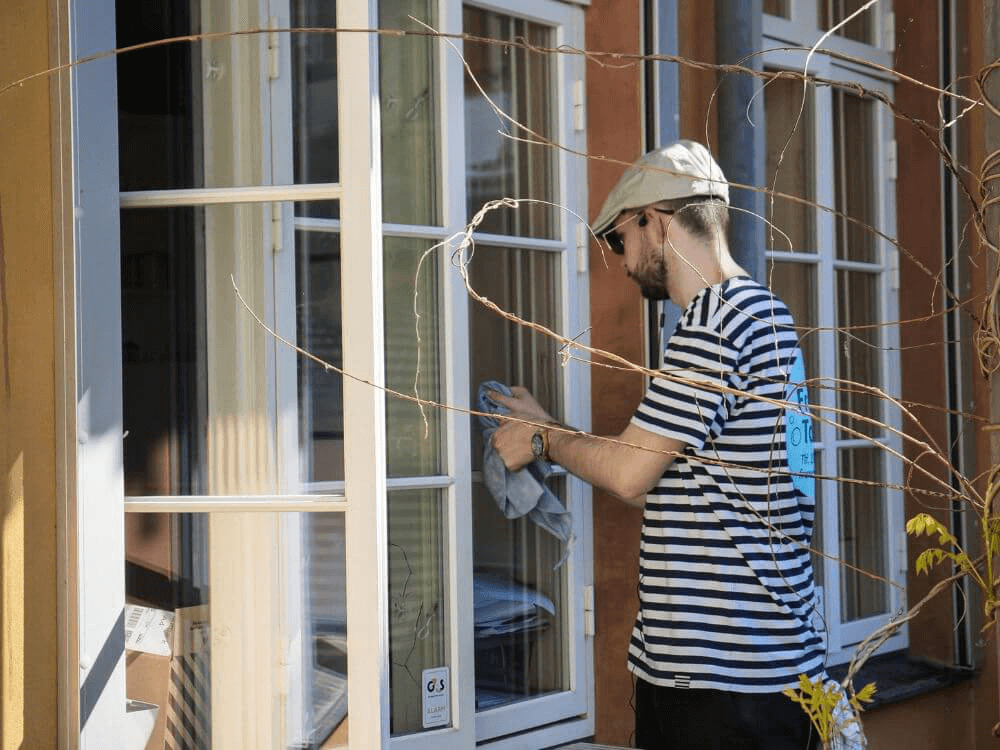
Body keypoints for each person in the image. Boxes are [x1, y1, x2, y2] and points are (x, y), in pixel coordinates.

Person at [490, 140, 824, 749]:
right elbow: (695, 485)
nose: (620, 261)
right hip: (771, 664)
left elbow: (631, 475)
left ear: (656, 220)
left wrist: (543, 439)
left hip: (718, 679)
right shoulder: (765, 314)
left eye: (620, 239)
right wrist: (553, 428)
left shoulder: (713, 324)